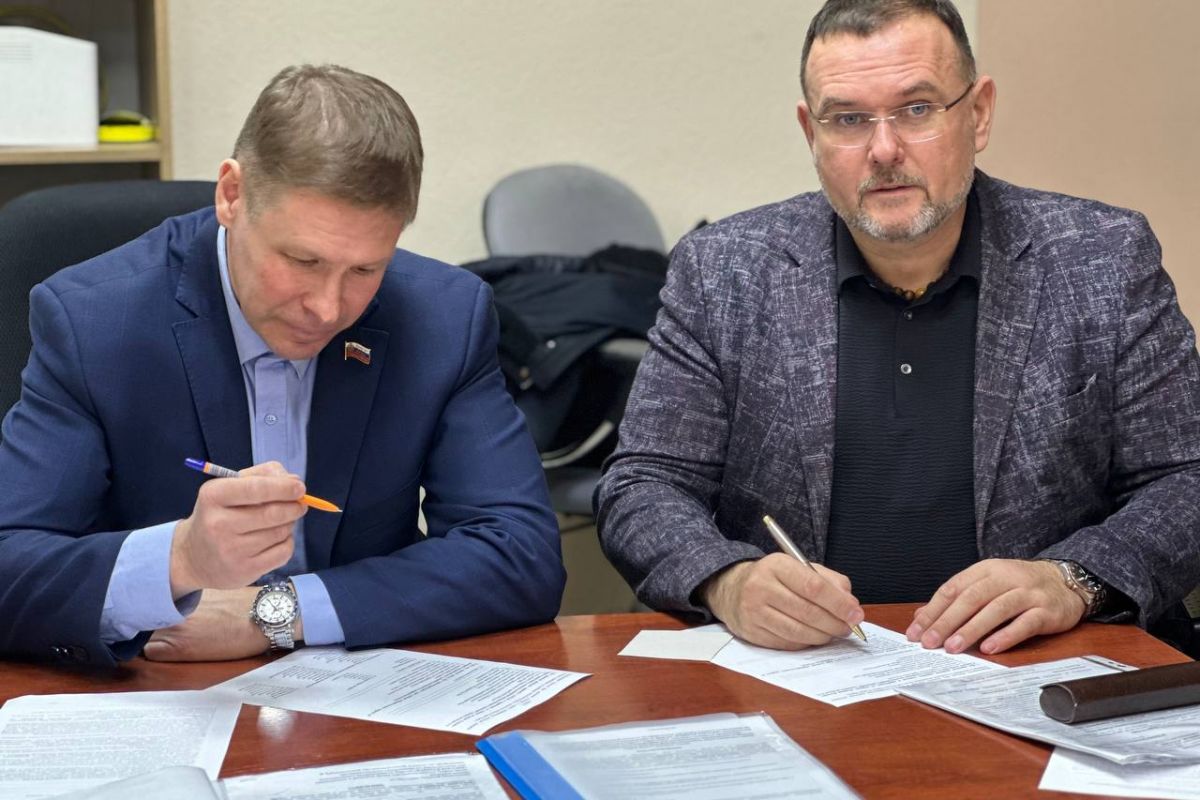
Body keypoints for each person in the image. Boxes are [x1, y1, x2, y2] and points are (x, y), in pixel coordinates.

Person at [597, 0, 1200, 657]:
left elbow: (1186, 481)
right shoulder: (723, 272)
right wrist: (726, 580)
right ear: (810, 133)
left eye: (916, 109)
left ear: (979, 113)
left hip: (1041, 668)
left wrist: (1073, 580)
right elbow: (643, 485)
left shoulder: (1102, 257)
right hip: (807, 673)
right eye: (848, 119)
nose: (883, 150)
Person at [0, 64, 564, 668]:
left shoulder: (443, 317)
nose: (328, 308)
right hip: (159, 686)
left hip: (365, 684)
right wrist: (181, 559)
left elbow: (520, 554)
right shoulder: (94, 321)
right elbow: (10, 564)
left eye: (365, 270)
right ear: (231, 195)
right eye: (302, 261)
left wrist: (277, 614)